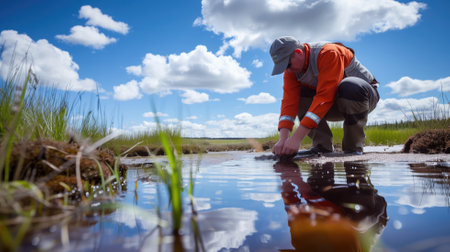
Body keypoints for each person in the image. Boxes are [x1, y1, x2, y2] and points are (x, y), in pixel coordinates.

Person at [270, 36, 380, 156]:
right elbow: (289, 103)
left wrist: (296, 139)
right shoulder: (292, 71)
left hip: (364, 98)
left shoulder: (329, 53)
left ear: (298, 52)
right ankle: (322, 146)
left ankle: (353, 148)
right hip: (332, 104)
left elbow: (325, 97)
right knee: (300, 93)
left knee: (349, 85)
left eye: (287, 64)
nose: (288, 70)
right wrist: (283, 139)